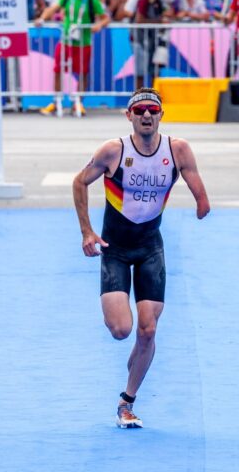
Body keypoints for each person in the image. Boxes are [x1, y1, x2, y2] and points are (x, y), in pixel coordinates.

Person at [72, 88, 209, 429]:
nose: (146, 115)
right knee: (122, 330)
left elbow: (198, 188)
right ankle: (137, 359)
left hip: (150, 248)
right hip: (114, 249)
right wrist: (87, 232)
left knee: (147, 331)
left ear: (161, 114)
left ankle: (127, 401)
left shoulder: (177, 149)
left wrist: (201, 203)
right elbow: (79, 182)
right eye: (140, 110)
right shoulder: (113, 150)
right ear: (129, 116)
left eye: (153, 110)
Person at [36, 0, 110, 116]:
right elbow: (52, 8)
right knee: (57, 71)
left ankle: (78, 103)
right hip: (65, 41)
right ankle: (56, 102)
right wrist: (42, 18)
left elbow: (105, 18)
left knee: (83, 73)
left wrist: (99, 25)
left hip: (83, 43)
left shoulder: (91, 0)